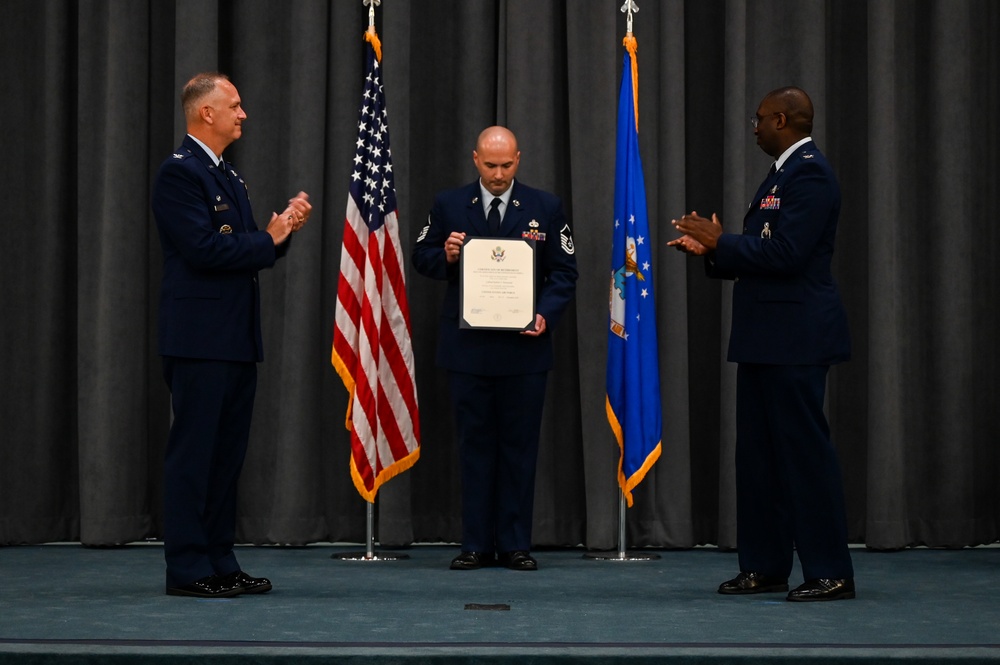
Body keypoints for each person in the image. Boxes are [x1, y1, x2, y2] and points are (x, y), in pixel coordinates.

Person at [669, 86, 855, 602]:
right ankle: (766, 565)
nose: (752, 127)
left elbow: (791, 254)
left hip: (797, 338)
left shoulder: (811, 172)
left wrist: (722, 242)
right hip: (764, 338)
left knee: (803, 457)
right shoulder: (781, 173)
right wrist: (715, 250)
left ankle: (830, 571)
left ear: (781, 119)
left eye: (758, 119)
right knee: (758, 458)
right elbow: (763, 251)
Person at [152, 72, 311, 598]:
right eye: (235, 105)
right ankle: (187, 568)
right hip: (198, 339)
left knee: (225, 458)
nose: (243, 114)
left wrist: (278, 232)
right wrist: (267, 239)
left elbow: (246, 247)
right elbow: (203, 250)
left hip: (235, 338)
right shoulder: (180, 175)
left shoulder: (228, 177)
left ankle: (220, 559)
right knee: (194, 455)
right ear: (206, 114)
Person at [412, 126, 578, 571]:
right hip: (468, 350)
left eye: (506, 165)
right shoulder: (450, 204)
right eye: (490, 165)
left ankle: (515, 544)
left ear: (519, 159)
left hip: (524, 350)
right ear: (475, 159)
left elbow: (564, 273)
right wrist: (445, 255)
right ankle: (475, 544)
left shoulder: (545, 206)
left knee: (520, 450)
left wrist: (545, 312)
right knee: (474, 448)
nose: (499, 174)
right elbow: (420, 256)